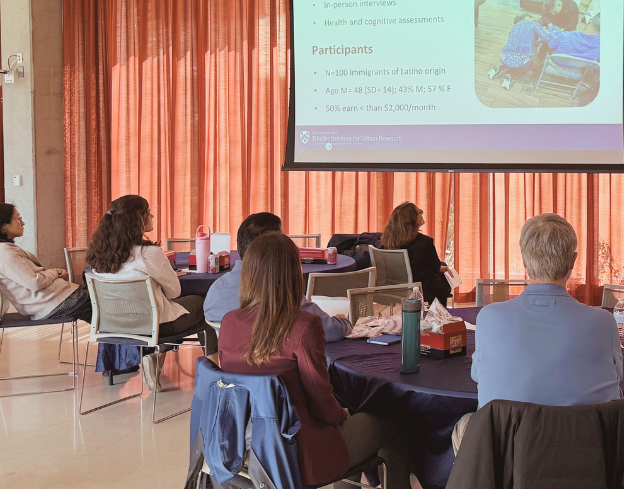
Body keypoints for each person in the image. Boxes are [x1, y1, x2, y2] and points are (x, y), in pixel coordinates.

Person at [218, 232, 409, 489]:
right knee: (397, 418)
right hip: (300, 452)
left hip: (242, 444)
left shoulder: (229, 322)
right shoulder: (304, 326)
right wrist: (342, 415)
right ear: (294, 274)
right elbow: (321, 401)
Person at [458, 213, 623, 453]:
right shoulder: (604, 322)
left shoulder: (489, 317)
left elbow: (478, 376)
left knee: (465, 425)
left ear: (524, 260)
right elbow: (617, 378)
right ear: (573, 261)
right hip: (588, 459)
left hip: (508, 459)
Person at [86, 195, 214, 391]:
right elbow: (174, 292)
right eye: (148, 212)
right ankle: (213, 373)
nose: (152, 216)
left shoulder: (98, 254)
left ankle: (153, 359)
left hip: (114, 326)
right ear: (137, 219)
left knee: (170, 310)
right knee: (206, 305)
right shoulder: (148, 253)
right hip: (154, 326)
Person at [203, 212, 351, 341]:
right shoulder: (279, 294)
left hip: (231, 370)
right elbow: (329, 331)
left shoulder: (215, 291)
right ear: (273, 248)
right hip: (278, 370)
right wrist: (344, 323)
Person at [0, 203, 92, 323]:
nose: (23, 223)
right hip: (53, 304)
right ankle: (115, 339)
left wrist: (52, 273)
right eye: (18, 219)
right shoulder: (4, 253)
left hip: (56, 298)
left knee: (102, 294)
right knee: (106, 302)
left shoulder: (7, 249)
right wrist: (53, 273)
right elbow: (34, 282)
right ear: (4, 225)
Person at [381, 202, 450, 306]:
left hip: (396, 287)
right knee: (444, 277)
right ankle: (440, 313)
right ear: (412, 219)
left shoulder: (387, 241)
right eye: (420, 212)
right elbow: (435, 267)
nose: (422, 214)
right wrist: (439, 267)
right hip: (422, 289)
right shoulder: (425, 242)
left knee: (441, 268)